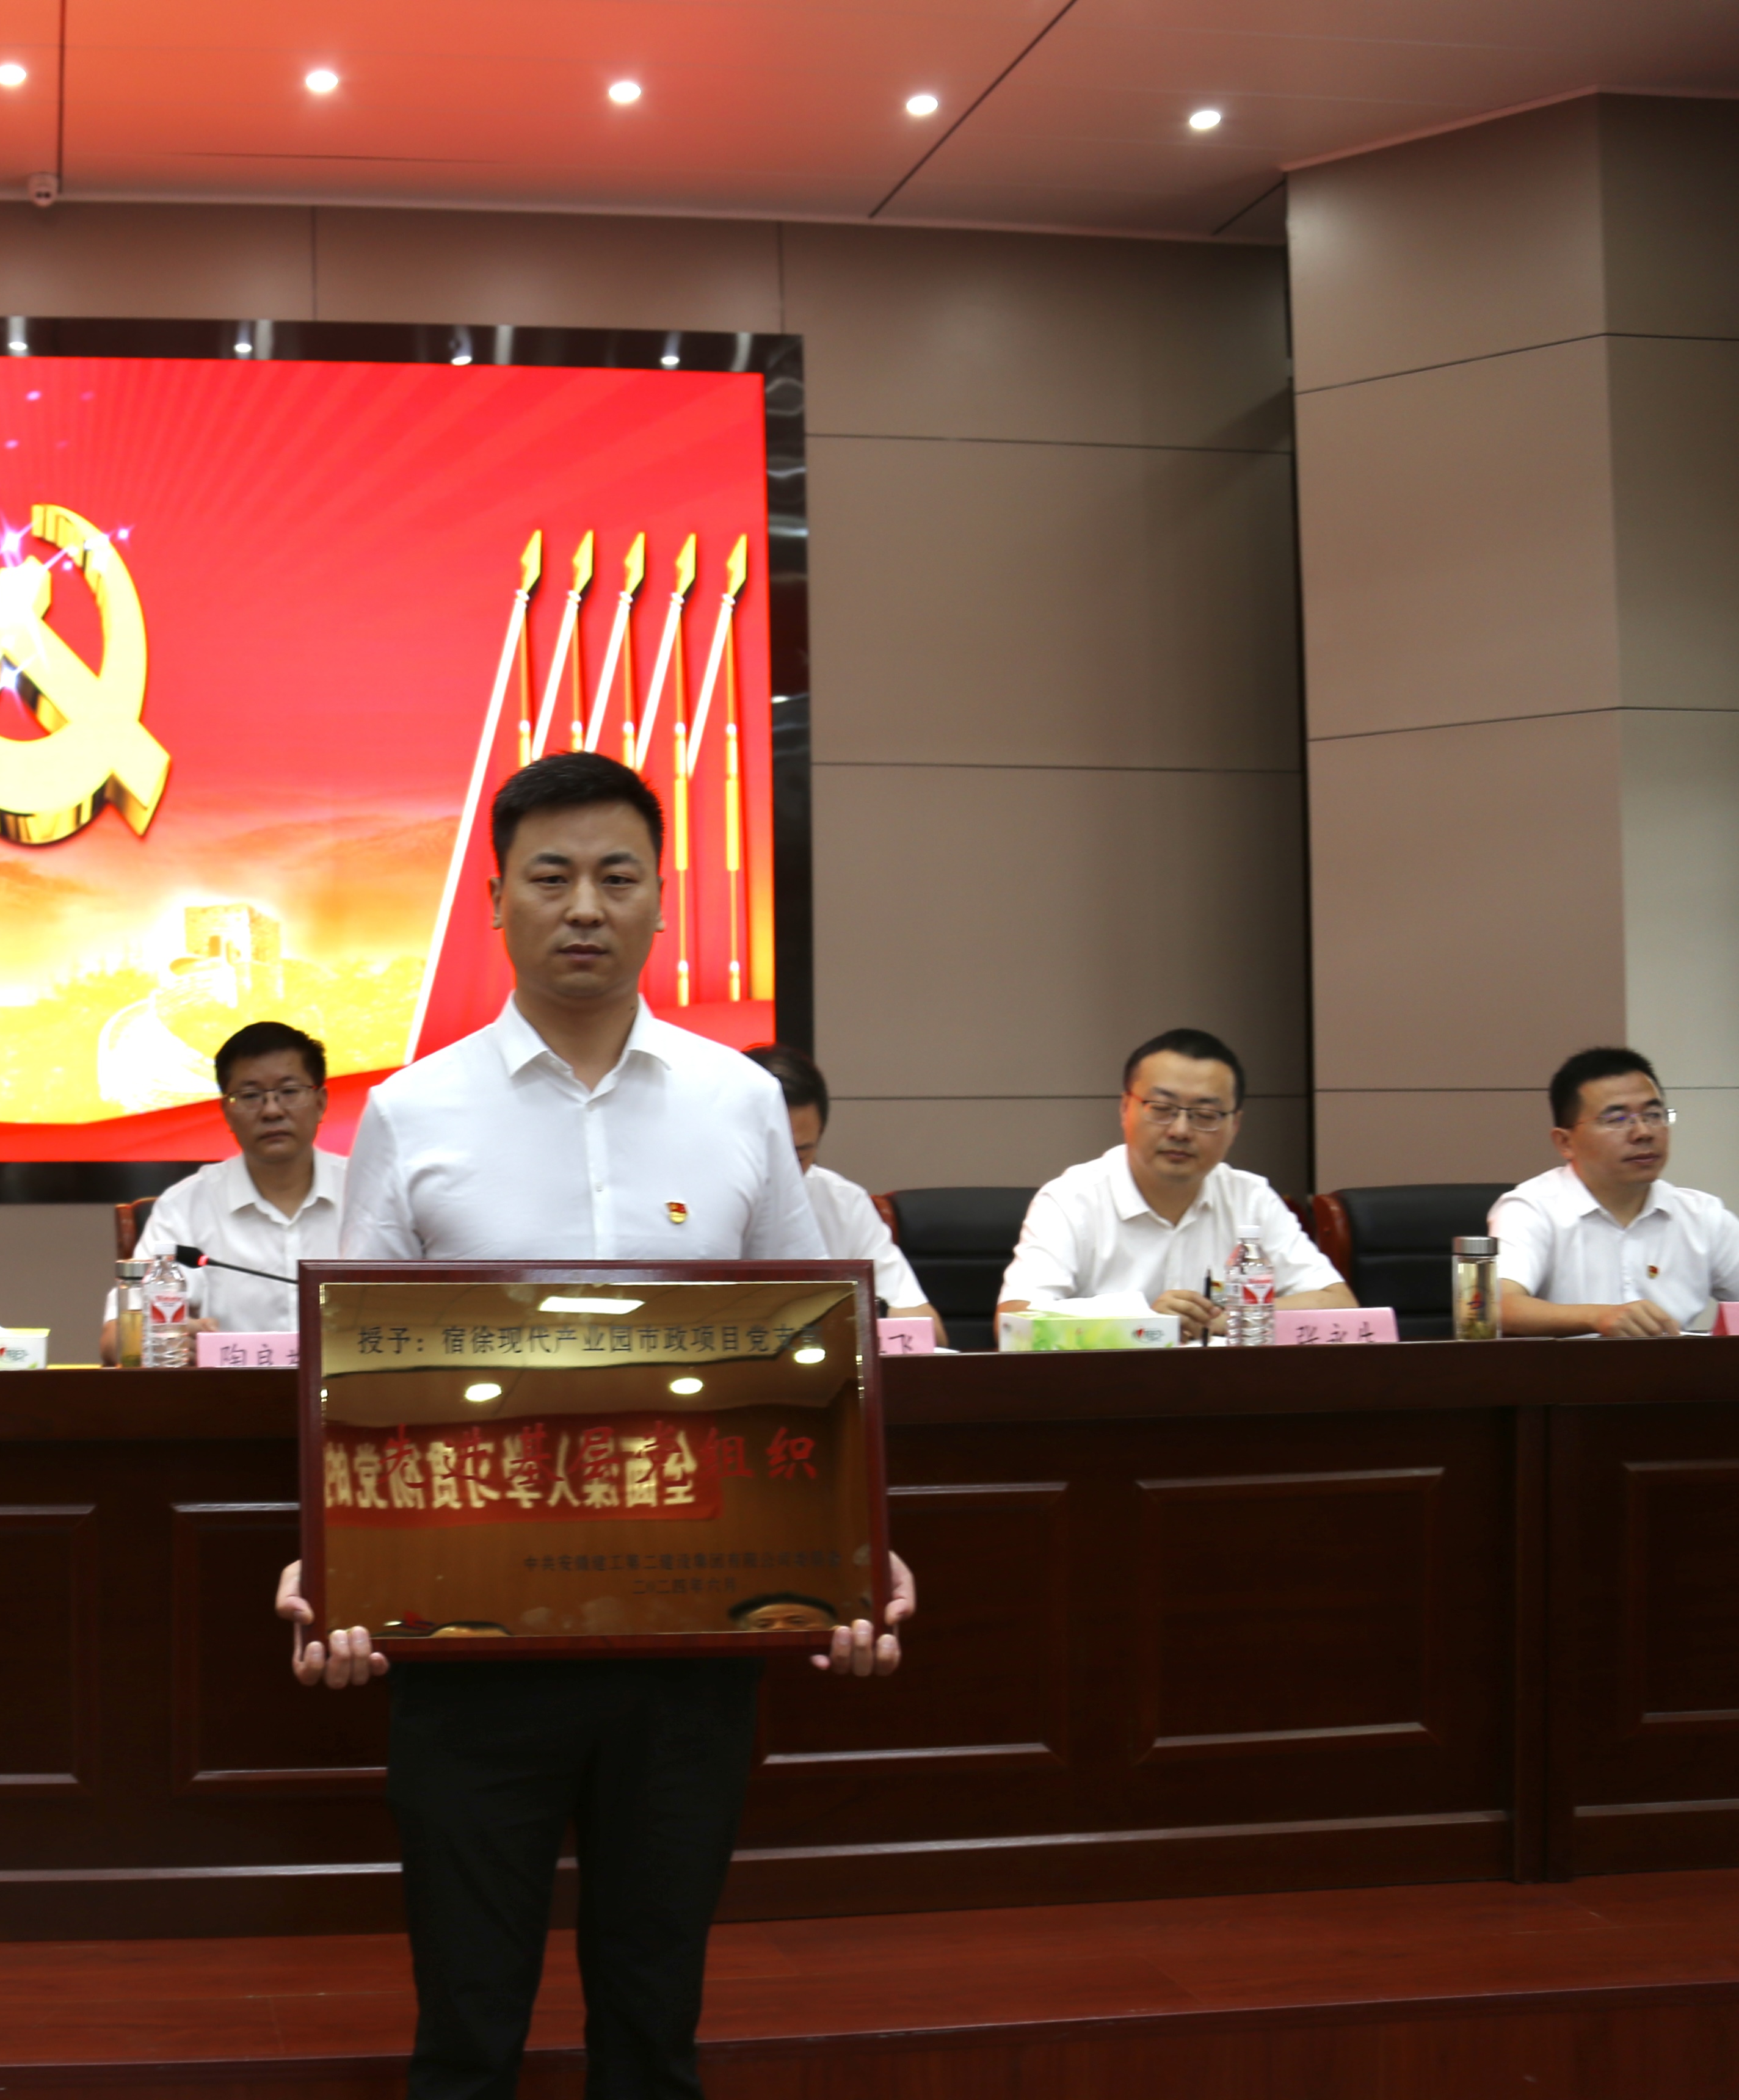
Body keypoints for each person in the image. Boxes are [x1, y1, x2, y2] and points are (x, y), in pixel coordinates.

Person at [278, 753, 911, 2100]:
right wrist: (330, 1560)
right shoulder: (413, 1111)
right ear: (495, 901)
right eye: (551, 876)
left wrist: (855, 1546)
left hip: (690, 1627)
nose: (584, 907)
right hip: (467, 1634)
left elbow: (803, 1352)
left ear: (660, 900)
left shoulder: (738, 1100)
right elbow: (357, 1377)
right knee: (467, 2016)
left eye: (617, 877)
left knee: (653, 2008)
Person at [998, 1026, 1352, 1341]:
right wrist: (1144, 1324)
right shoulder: (1071, 1199)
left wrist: (1228, 1318)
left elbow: (1339, 1305)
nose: (1180, 1131)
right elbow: (1015, 1322)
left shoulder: (1251, 1199)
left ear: (1234, 1126)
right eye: (1162, 1108)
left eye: (1205, 1115)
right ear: (1125, 1108)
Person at [97, 1019, 346, 1360]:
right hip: (229, 1393)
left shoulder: (366, 1193)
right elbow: (114, 1339)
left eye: (289, 1092)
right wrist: (164, 1339)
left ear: (320, 1102)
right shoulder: (184, 1207)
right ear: (227, 1112)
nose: (272, 1111)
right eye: (251, 1096)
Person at [1491, 1046, 1739, 1338]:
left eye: (1653, 1115)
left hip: (1677, 1368)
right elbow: (1495, 1307)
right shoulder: (1531, 1209)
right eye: (1617, 1120)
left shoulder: (1702, 1216)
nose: (1643, 1132)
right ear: (1565, 1143)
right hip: (1568, 1368)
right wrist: (1598, 1317)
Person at [742, 1043, 943, 1344]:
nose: (784, 1174)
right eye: (767, 1154)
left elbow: (929, 1330)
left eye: (799, 1156)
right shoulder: (685, 1204)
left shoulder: (843, 1203)